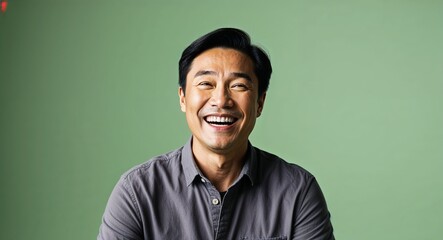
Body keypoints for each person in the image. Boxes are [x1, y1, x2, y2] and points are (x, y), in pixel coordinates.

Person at [98, 28, 334, 240]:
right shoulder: (137, 191)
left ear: (260, 102)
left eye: (238, 86)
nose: (221, 100)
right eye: (206, 84)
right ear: (182, 97)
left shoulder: (298, 191)